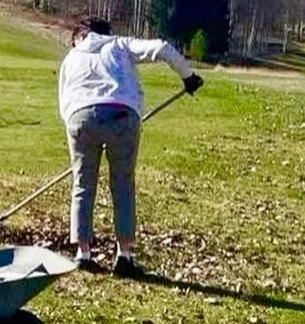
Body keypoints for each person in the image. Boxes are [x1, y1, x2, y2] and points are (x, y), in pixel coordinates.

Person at [57, 17, 202, 276]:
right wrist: (188, 77)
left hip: (80, 118)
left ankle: (83, 253)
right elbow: (162, 48)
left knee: (82, 183)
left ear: (80, 35)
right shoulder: (120, 45)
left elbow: (64, 99)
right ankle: (124, 256)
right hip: (122, 115)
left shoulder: (72, 57)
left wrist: (77, 125)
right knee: (123, 184)